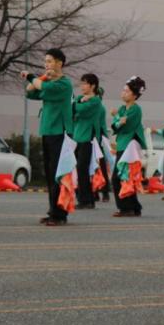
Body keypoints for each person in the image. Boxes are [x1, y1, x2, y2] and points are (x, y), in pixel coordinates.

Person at [23, 48, 74, 225]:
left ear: (60, 63)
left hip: (60, 133)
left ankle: (59, 214)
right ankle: (54, 210)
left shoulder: (64, 84)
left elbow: (41, 86)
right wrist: (43, 76)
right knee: (50, 174)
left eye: (50, 61)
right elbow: (30, 91)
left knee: (58, 174)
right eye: (45, 61)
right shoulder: (50, 82)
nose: (46, 64)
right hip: (49, 132)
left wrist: (31, 76)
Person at [111, 77, 147, 217]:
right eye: (123, 90)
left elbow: (125, 126)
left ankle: (126, 208)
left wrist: (117, 118)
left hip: (129, 146)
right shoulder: (122, 108)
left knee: (119, 177)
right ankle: (134, 207)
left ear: (134, 95)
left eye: (126, 91)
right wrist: (118, 119)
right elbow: (115, 126)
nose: (123, 93)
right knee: (125, 177)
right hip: (123, 144)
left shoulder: (135, 109)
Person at [71, 73, 106, 210]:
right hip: (77, 138)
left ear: (93, 86)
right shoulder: (80, 98)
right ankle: (85, 198)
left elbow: (81, 110)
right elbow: (72, 111)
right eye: (82, 83)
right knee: (79, 170)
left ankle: (86, 200)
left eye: (85, 83)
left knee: (83, 169)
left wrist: (78, 104)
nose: (82, 86)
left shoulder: (96, 101)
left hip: (87, 139)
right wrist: (78, 103)